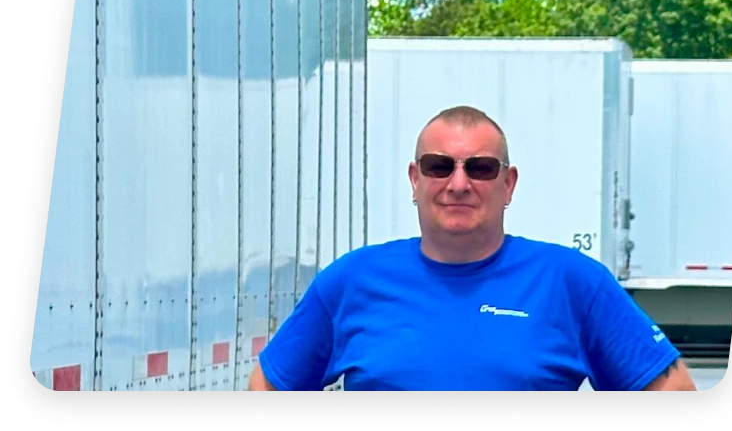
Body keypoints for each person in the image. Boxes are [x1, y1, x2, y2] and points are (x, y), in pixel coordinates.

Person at [248, 105, 697, 391]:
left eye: (480, 168)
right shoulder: (351, 282)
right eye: (439, 166)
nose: (458, 184)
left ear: (508, 183)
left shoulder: (572, 281)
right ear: (415, 179)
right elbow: (266, 388)